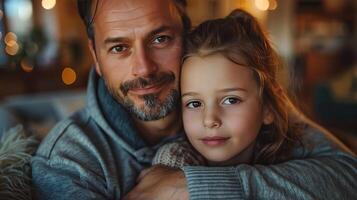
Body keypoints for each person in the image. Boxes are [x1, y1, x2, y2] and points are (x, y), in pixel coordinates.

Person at [31, 0, 356, 199]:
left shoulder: (244, 99)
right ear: (96, 57)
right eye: (119, 48)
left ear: (186, 33)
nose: (143, 68)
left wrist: (191, 188)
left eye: (160, 39)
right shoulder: (69, 162)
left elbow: (346, 177)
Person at [152, 9, 304, 168]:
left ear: (267, 107)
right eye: (194, 103)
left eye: (231, 100)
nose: (210, 120)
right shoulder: (173, 162)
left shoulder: (296, 157)